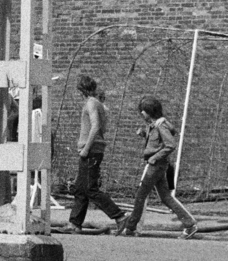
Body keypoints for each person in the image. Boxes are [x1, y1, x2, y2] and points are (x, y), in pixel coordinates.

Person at [117, 96, 198, 238]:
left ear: (147, 112)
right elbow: (159, 140)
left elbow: (171, 144)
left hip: (155, 166)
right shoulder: (154, 124)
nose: (141, 114)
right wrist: (143, 134)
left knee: (140, 196)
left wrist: (154, 158)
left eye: (143, 111)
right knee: (165, 197)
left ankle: (131, 227)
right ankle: (189, 224)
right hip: (158, 166)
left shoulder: (160, 125)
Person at [66, 76, 126, 233]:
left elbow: (96, 126)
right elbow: (103, 128)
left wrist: (86, 148)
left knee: (90, 189)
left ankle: (119, 216)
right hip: (94, 150)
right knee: (80, 189)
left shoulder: (91, 103)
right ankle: (74, 224)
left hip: (91, 151)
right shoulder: (99, 104)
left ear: (82, 90)